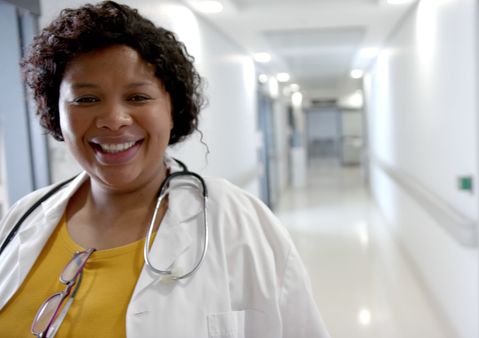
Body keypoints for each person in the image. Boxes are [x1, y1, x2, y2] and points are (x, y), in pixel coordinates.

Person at [0, 1, 330, 337]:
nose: (114, 120)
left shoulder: (239, 224)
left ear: (173, 109)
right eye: (85, 99)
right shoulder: (22, 218)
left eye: (138, 97)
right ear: (55, 114)